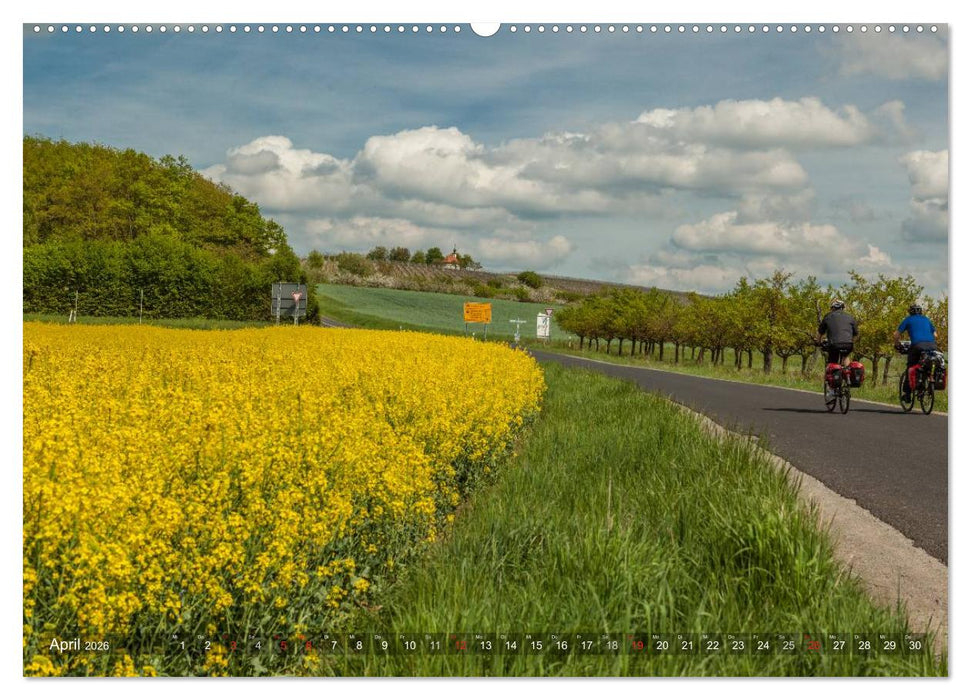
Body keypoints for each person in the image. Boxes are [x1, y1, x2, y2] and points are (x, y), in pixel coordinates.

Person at [894, 303, 938, 400]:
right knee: (927, 364)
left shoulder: (908, 319)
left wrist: (897, 344)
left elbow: (896, 334)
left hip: (917, 346)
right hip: (932, 346)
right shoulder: (926, 319)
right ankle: (928, 381)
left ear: (910, 312)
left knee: (910, 366)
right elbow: (935, 335)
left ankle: (907, 394)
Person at [816, 299, 859, 367]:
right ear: (843, 308)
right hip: (848, 345)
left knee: (832, 361)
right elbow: (856, 335)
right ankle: (847, 374)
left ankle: (834, 374)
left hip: (834, 345)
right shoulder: (850, 317)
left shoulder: (828, 316)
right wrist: (851, 342)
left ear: (832, 308)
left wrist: (818, 342)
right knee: (845, 357)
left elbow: (820, 332)